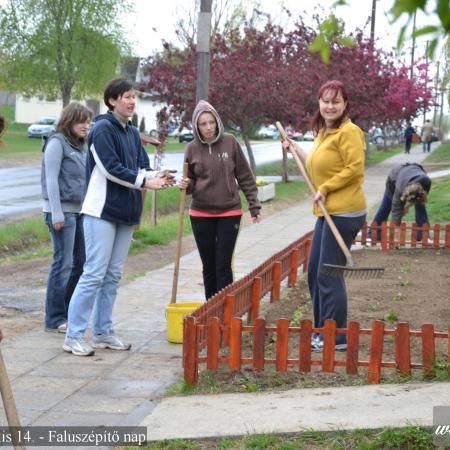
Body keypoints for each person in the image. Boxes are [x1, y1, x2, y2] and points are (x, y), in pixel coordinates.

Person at [63, 78, 176, 356]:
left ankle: (102, 331)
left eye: (134, 97)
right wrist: (145, 183)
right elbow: (110, 168)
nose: (131, 101)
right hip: (101, 212)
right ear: (112, 100)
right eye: (126, 96)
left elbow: (142, 167)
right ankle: (73, 335)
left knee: (112, 275)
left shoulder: (131, 131)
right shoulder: (101, 129)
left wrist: (157, 176)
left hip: (126, 213)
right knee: (93, 274)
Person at [282, 80, 366, 352]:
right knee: (315, 273)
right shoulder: (324, 132)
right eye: (326, 101)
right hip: (327, 212)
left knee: (329, 275)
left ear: (345, 105)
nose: (330, 106)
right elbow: (315, 165)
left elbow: (354, 169)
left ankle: (336, 337)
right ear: (319, 102)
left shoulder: (349, 132)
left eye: (336, 101)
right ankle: (322, 331)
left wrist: (326, 188)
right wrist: (297, 149)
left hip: (344, 212)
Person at [178, 100, 261, 300]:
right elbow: (190, 183)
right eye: (203, 124)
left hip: (229, 211)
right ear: (197, 127)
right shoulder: (191, 148)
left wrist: (254, 206)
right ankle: (210, 310)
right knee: (208, 264)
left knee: (222, 264)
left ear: (217, 122)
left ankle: (225, 310)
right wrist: (185, 185)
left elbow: (245, 176)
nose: (208, 127)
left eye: (211, 122)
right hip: (200, 213)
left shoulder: (230, 142)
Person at [41, 102, 93, 333]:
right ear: (70, 121)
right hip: (61, 211)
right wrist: (57, 212)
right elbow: (51, 179)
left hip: (79, 211)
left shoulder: (81, 145)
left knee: (80, 263)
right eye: (82, 121)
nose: (86, 126)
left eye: (88, 121)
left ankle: (68, 311)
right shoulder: (56, 142)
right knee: (63, 263)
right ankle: (54, 318)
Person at [367, 163, 431, 242]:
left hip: (412, 173)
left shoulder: (426, 182)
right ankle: (371, 236)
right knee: (385, 207)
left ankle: (424, 237)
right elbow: (396, 209)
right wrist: (396, 231)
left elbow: (422, 198)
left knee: (421, 208)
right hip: (393, 179)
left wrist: (407, 207)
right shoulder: (400, 188)